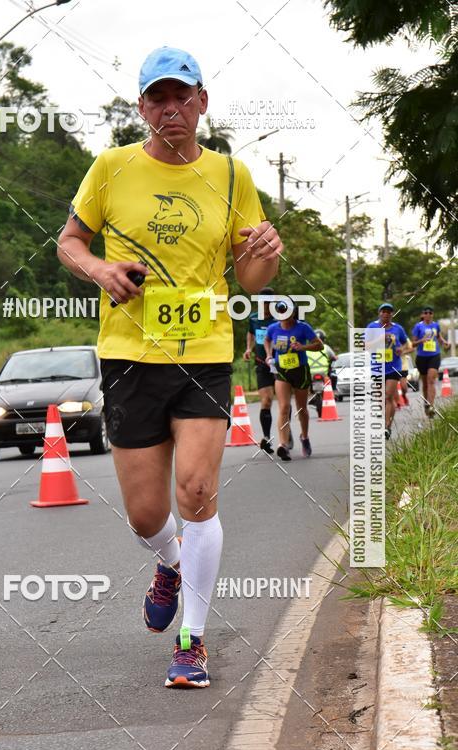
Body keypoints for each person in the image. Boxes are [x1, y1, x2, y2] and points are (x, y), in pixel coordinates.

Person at [57, 46, 283, 688]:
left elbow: (251, 274)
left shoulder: (234, 177)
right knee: (147, 515)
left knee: (196, 493)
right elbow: (70, 242)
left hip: (206, 353)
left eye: (182, 96)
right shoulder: (110, 168)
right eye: (158, 98)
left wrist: (267, 251)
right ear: (141, 109)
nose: (171, 108)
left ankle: (192, 638)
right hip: (129, 356)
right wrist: (99, 268)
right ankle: (169, 560)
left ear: (202, 103)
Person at [264, 301, 323, 461]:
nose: (283, 314)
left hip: (300, 370)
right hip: (282, 371)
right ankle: (283, 445)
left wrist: (303, 347)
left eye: (285, 310)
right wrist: (269, 354)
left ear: (293, 312)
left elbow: (319, 346)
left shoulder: (303, 327)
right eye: (280, 310)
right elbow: (267, 340)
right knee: (283, 407)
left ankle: (304, 437)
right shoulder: (273, 328)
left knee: (301, 408)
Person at [366, 302, 409, 439]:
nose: (386, 314)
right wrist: (380, 338)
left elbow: (406, 344)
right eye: (383, 311)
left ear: (392, 314)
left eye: (389, 312)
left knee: (388, 396)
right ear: (379, 313)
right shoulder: (372, 327)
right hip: (377, 367)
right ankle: (384, 420)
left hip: (393, 367)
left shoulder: (398, 328)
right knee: (381, 398)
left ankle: (387, 427)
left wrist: (401, 350)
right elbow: (364, 346)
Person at [243, 288, 277, 453]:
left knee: (284, 404)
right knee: (267, 401)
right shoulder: (254, 318)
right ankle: (266, 437)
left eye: (268, 303)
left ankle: (286, 431)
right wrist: (248, 348)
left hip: (279, 364)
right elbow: (250, 333)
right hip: (261, 363)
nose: (265, 306)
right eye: (263, 302)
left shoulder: (280, 318)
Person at [411, 305, 450, 417]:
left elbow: (438, 337)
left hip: (434, 355)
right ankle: (426, 403)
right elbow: (413, 344)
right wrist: (421, 340)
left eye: (430, 313)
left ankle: (431, 405)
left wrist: (445, 343)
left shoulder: (435, 325)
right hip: (421, 357)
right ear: (422, 315)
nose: (428, 314)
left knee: (431, 380)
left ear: (432, 315)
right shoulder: (418, 326)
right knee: (425, 384)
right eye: (426, 313)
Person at [306, 329, 337, 403]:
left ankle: (310, 394)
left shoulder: (307, 348)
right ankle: (333, 392)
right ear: (323, 338)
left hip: (311, 373)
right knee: (333, 376)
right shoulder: (326, 347)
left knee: (305, 381)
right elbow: (334, 357)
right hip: (324, 372)